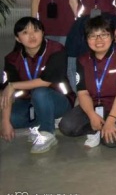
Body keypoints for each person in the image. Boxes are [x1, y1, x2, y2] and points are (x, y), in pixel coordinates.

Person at [59, 17, 116, 148]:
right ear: (86, 39)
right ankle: (96, 128)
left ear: (112, 37)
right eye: (93, 36)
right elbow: (83, 93)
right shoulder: (82, 60)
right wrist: (92, 116)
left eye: (104, 35)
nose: (98, 40)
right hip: (94, 105)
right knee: (66, 126)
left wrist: (111, 120)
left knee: (111, 142)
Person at [1, 17, 74, 153]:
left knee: (40, 91)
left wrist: (13, 85)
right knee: (12, 118)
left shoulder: (56, 50)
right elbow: (7, 92)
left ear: (43, 32)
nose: (32, 36)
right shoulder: (12, 59)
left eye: (36, 30)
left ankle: (47, 132)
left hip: (59, 102)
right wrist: (5, 121)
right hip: (29, 103)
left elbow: (46, 81)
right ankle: (40, 122)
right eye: (25, 32)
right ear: (17, 38)